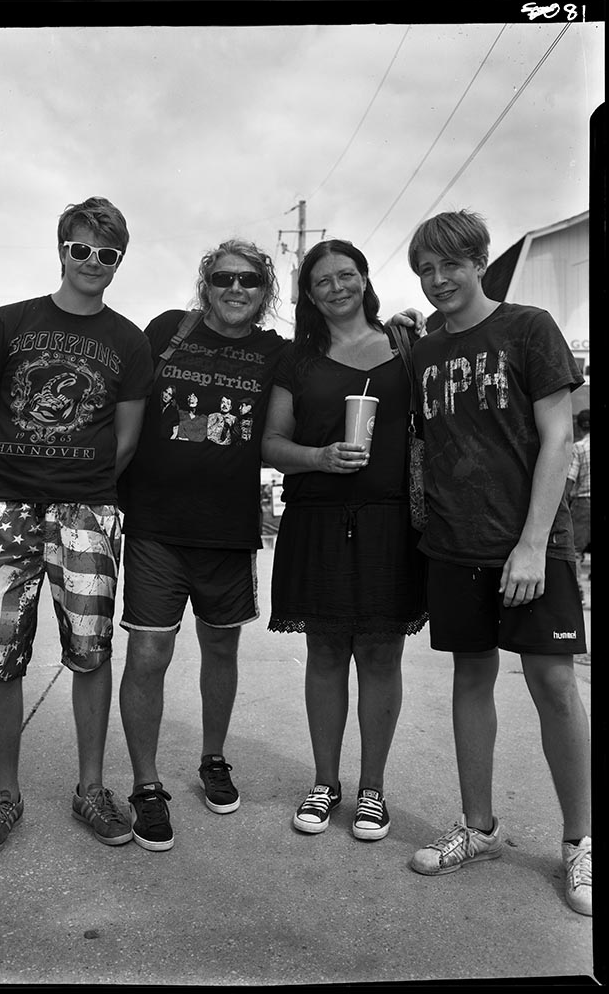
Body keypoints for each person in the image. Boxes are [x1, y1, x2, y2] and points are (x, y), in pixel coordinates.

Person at [116, 237, 424, 853]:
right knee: (152, 655)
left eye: (250, 280)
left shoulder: (291, 352)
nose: (236, 289)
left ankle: (231, 763)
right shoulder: (171, 331)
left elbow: (401, 357)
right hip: (162, 523)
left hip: (244, 527)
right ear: (206, 283)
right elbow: (127, 400)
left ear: (268, 292)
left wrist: (407, 323)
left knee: (236, 650)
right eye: (224, 278)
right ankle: (150, 787)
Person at [405, 209, 591, 916]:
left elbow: (558, 439)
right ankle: (477, 828)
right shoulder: (423, 352)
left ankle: (581, 843)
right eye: (426, 269)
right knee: (471, 676)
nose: (438, 279)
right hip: (455, 544)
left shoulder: (529, 327)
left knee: (553, 682)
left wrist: (533, 542)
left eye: (450, 264)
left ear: (480, 262)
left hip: (533, 544)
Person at [0, 196, 153, 858]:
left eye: (107, 253)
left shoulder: (129, 341)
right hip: (5, 511)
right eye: (81, 249)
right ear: (62, 250)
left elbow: (125, 440)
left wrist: (78, 488)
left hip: (86, 512)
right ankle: (5, 796)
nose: (93, 261)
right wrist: (4, 487)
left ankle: (90, 789)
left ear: (118, 261)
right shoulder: (8, 322)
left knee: (90, 651)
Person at [261, 239, 428, 841]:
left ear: (364, 279)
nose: (337, 287)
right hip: (318, 518)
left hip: (389, 521)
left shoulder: (404, 347)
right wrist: (318, 456)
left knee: (382, 654)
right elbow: (270, 444)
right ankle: (325, 783)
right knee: (326, 651)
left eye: (347, 274)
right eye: (323, 280)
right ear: (309, 294)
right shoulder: (297, 360)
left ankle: (372, 790)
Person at [565, 408, 590, 602]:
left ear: (579, 427)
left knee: (575, 550)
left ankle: (577, 592)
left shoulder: (579, 448)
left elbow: (570, 480)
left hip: (583, 503)